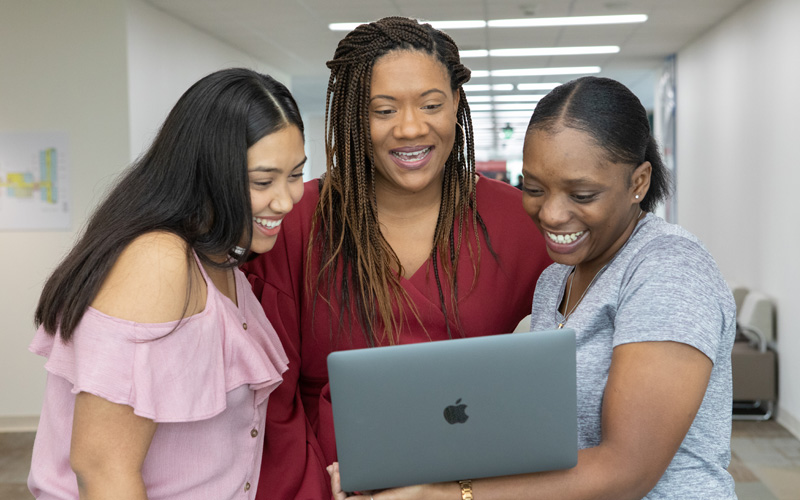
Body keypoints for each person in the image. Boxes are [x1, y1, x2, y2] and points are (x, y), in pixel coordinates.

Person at [330, 76, 737, 499]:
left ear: (638, 182)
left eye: (582, 194)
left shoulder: (669, 269)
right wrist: (404, 471)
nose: (552, 214)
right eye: (535, 188)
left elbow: (627, 472)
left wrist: (444, 497)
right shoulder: (555, 280)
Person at [242, 16, 552, 500]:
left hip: (476, 486)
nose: (411, 128)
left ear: (456, 106)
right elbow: (270, 402)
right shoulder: (294, 223)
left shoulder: (516, 223)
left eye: (432, 105)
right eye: (383, 110)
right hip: (326, 487)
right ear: (351, 116)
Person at [28, 68, 306, 499]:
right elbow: (102, 469)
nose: (285, 200)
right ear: (208, 172)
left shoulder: (221, 259)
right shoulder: (158, 261)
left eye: (295, 175)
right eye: (263, 181)